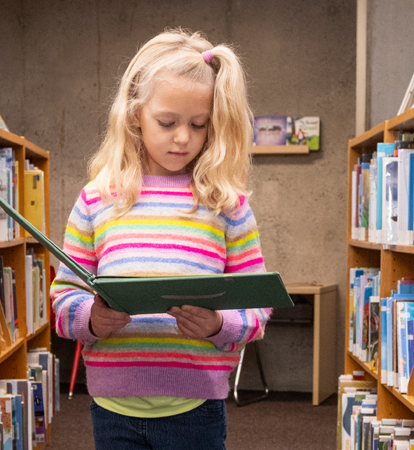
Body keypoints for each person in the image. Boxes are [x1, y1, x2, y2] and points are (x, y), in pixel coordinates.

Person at [50, 29, 269, 450]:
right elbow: (64, 297)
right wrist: (91, 319)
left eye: (198, 125)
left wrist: (220, 324)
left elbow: (257, 303)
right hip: (113, 406)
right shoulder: (98, 198)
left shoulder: (227, 203)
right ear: (135, 114)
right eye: (167, 122)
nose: (183, 137)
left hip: (196, 406)